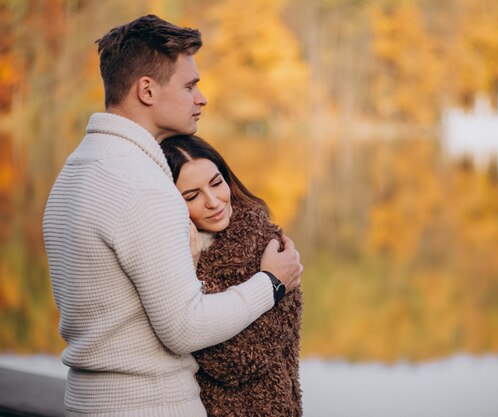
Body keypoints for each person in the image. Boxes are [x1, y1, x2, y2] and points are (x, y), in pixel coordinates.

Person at [42, 14, 302, 417]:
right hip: (149, 405)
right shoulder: (143, 185)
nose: (202, 98)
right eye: (190, 85)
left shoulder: (74, 172)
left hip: (86, 404)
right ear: (147, 90)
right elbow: (185, 327)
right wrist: (271, 283)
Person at [161, 135, 303, 416]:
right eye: (192, 196)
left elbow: (235, 362)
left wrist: (191, 274)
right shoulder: (169, 253)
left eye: (216, 183)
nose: (213, 202)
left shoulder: (261, 243)